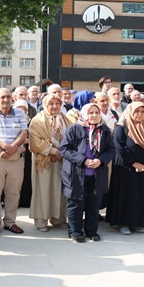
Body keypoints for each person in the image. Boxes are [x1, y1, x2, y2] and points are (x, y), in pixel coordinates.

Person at [60, 103, 115, 243]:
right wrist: (83, 160)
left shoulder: (104, 130)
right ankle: (75, 232)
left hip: (96, 174)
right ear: (84, 114)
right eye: (91, 113)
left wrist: (100, 160)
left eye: (97, 112)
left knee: (93, 204)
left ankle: (91, 231)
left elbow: (111, 150)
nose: (94, 115)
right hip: (76, 174)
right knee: (75, 204)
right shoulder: (74, 129)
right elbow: (64, 149)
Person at [106, 102, 144, 235]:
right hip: (126, 168)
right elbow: (119, 148)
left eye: (143, 111)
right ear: (130, 112)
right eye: (137, 111)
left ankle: (139, 221)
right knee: (127, 194)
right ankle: (123, 222)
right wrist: (134, 163)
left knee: (142, 194)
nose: (140, 114)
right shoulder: (122, 127)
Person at [0, 88, 29, 237]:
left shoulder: (20, 113)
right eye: (2, 97)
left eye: (8, 96)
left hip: (16, 159)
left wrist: (12, 148)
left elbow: (24, 133)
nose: (5, 99)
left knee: (13, 192)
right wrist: (5, 147)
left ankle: (10, 222)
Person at [28, 93, 69, 232]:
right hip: (44, 159)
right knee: (43, 190)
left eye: (57, 103)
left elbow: (72, 138)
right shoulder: (37, 120)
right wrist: (53, 151)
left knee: (60, 190)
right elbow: (35, 141)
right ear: (45, 104)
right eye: (51, 103)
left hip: (62, 159)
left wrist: (61, 153)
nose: (54, 106)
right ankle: (41, 221)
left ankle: (59, 219)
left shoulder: (66, 119)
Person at [12, 99, 33, 208]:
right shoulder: (10, 120)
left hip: (28, 153)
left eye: (23, 109)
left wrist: (28, 141)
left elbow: (34, 136)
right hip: (14, 151)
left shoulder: (31, 121)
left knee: (26, 176)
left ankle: (25, 200)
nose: (21, 111)